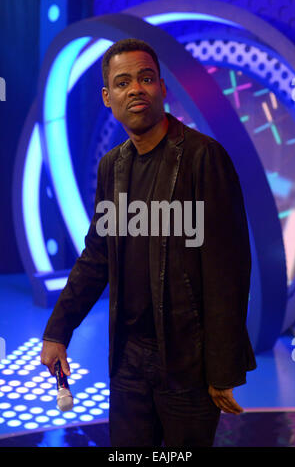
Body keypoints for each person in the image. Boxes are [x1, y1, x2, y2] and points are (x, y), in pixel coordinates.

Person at [41, 38, 257, 447]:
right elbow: (97, 256)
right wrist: (58, 330)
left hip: (188, 361)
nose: (135, 89)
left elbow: (228, 271)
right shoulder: (112, 167)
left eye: (145, 78)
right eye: (123, 83)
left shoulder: (203, 158)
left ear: (162, 87)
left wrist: (223, 370)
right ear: (108, 98)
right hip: (128, 361)